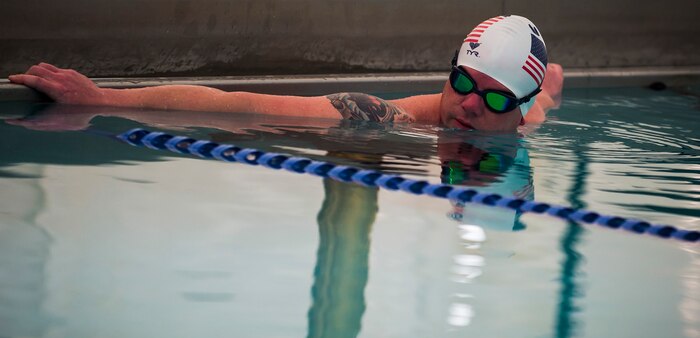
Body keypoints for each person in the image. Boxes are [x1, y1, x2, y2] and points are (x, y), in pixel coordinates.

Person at [7, 15, 563, 132]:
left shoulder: (524, 120)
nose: (467, 104)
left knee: (545, 110)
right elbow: (241, 104)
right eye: (463, 83)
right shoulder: (386, 117)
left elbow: (532, 110)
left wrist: (545, 96)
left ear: (517, 105)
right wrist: (102, 96)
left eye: (493, 100)